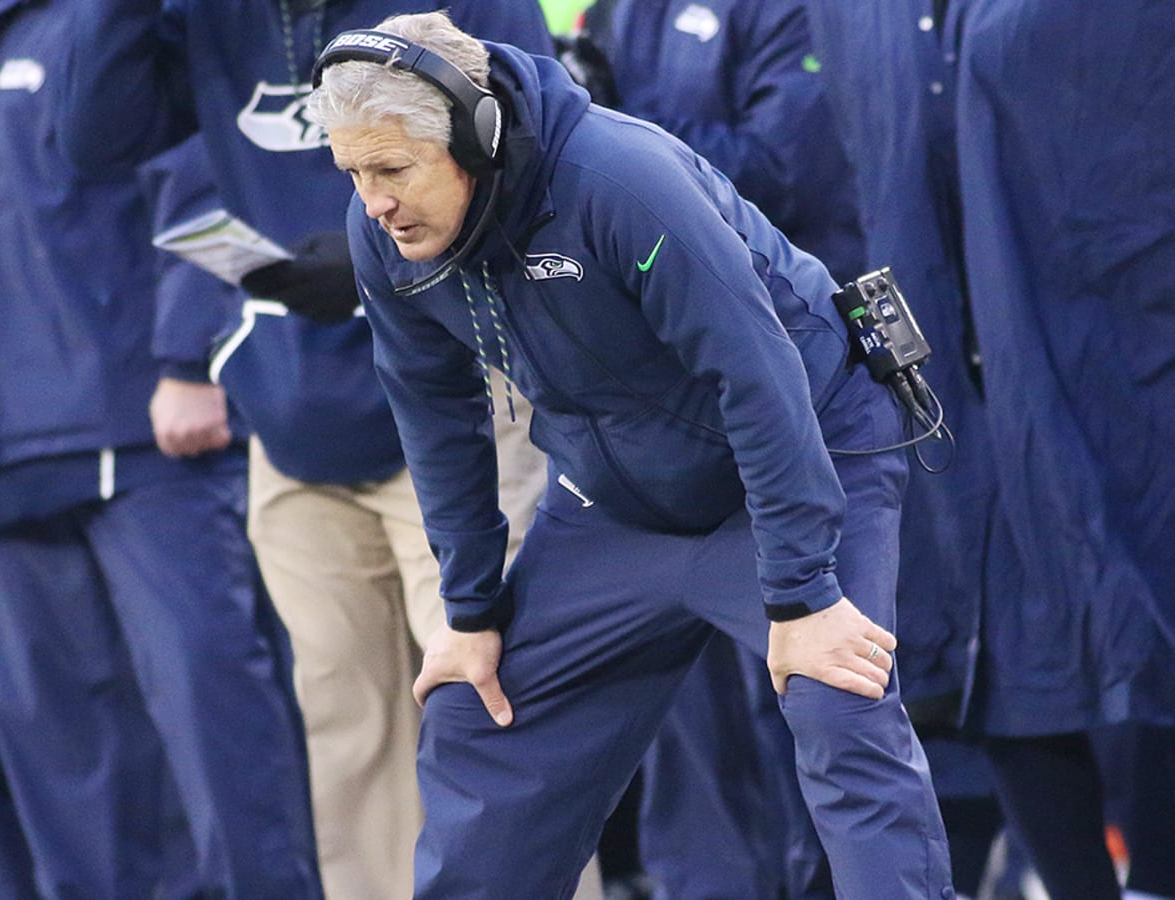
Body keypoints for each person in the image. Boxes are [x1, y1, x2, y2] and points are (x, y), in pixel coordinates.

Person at [306, 11, 955, 899]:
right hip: (618, 501)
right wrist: (470, 610)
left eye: (391, 169)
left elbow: (759, 379)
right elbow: (433, 413)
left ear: (476, 134)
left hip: (802, 453)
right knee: (479, 713)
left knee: (837, 702)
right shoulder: (383, 231)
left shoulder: (617, 178)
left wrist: (803, 595)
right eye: (352, 172)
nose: (373, 201)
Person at [60, 3, 583, 898]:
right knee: (350, 746)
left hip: (459, 410)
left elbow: (544, 154)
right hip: (293, 422)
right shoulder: (210, 18)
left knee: (489, 715)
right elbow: (94, 141)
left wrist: (368, 258)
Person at [802, 2, 1175, 898]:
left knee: (1144, 606)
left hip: (1116, 340)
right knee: (998, 645)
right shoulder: (858, 17)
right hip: (948, 372)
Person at [0, 4, 321, 896]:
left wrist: (192, 354)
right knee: (55, 745)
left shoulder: (104, 18)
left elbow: (211, 167)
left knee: (216, 713)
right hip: (1, 454)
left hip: (148, 430)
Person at [569, 1, 865, 896]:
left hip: (793, 387)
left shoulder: (787, 11)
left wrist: (604, 128)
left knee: (804, 684)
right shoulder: (617, 9)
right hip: (659, 396)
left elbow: (785, 169)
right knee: (683, 702)